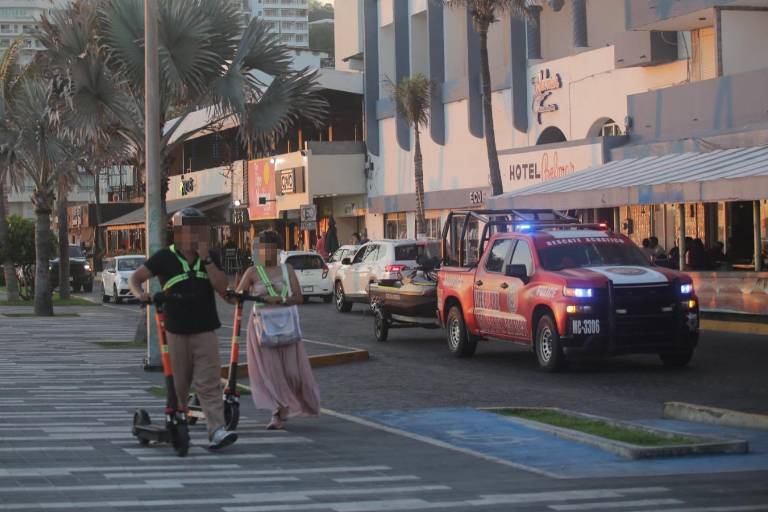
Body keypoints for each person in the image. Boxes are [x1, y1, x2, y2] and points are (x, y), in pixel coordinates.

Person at [128, 208, 237, 450]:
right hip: (175, 331)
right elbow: (135, 279)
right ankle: (177, 421)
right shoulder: (164, 257)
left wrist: (207, 258)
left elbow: (222, 287)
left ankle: (217, 430)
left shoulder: (210, 257)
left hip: (205, 329)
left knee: (209, 383)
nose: (195, 234)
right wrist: (141, 295)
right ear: (178, 232)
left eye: (199, 229)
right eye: (189, 229)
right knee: (178, 384)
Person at [236, 230, 320, 430]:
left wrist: (281, 299)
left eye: (272, 249)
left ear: (278, 250)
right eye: (264, 249)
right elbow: (236, 296)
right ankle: (277, 413)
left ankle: (292, 405)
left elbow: (299, 298)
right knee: (271, 372)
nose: (268, 253)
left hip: (286, 326)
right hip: (262, 328)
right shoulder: (252, 272)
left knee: (292, 373)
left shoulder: (287, 269)